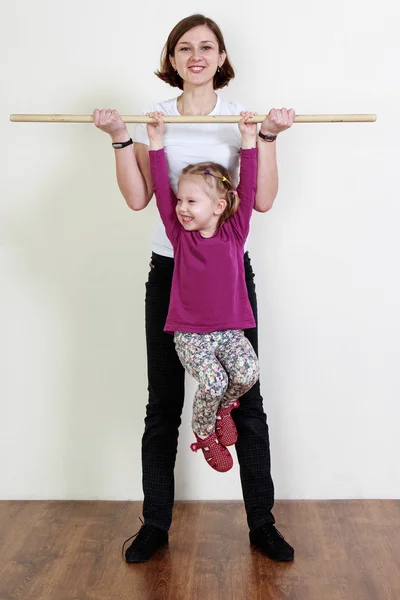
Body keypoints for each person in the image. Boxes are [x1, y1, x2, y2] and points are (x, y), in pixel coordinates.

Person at [93, 13, 295, 563]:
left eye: (208, 47)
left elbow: (262, 198)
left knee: (248, 401)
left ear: (222, 57)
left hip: (229, 278)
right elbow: (143, 198)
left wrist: (267, 136)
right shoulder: (152, 118)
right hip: (171, 275)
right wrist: (120, 138)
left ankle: (262, 525)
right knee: (163, 404)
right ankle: (155, 524)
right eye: (185, 47)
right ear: (173, 58)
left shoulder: (240, 119)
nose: (197, 55)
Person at [147, 110, 260, 473]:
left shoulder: (235, 232)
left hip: (229, 332)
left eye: (191, 202)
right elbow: (161, 192)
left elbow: (250, 186)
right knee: (212, 380)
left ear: (219, 206)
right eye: (181, 201)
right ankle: (205, 433)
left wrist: (248, 140)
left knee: (246, 374)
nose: (181, 208)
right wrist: (155, 142)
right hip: (192, 336)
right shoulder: (180, 238)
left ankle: (225, 408)